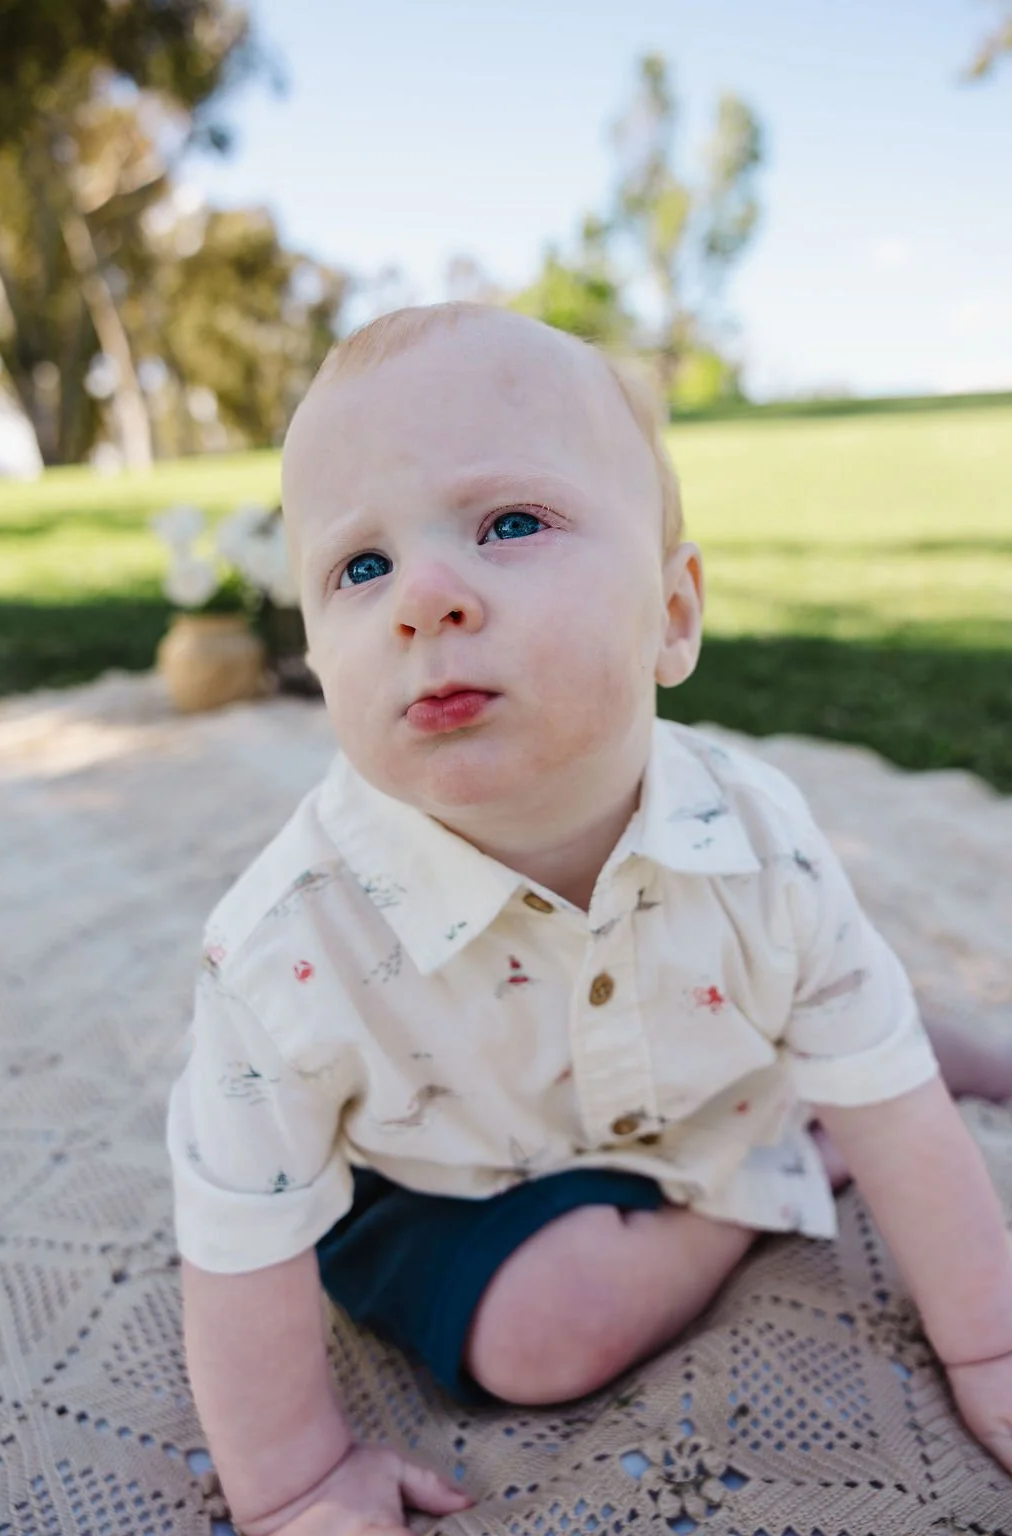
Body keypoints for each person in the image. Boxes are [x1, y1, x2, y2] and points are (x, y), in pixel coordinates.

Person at [167, 303, 1012, 1536]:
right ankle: (771, 1176)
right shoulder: (286, 950)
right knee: (540, 1340)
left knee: (875, 1048)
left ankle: (931, 1057)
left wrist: (988, 1348)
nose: (426, 598)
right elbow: (236, 1226)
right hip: (444, 1169)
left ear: (672, 614)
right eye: (361, 566)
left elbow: (893, 1108)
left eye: (509, 523)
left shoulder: (757, 839)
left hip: (704, 1070)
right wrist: (292, 1479)